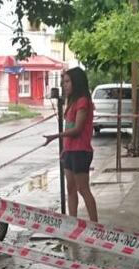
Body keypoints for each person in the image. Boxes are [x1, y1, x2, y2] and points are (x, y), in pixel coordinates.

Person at [44, 67, 98, 222]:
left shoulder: (82, 101)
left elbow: (77, 129)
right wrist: (65, 149)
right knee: (71, 188)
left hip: (81, 151)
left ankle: (96, 225)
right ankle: (72, 223)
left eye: (67, 81)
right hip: (70, 151)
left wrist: (55, 136)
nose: (64, 85)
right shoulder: (72, 101)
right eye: (63, 82)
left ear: (76, 82)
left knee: (83, 189)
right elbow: (69, 127)